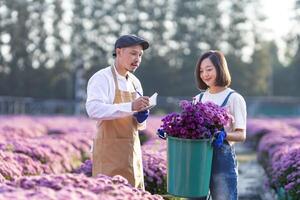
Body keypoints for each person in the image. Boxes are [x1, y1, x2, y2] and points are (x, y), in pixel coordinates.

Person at [86, 34, 150, 190]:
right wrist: (130, 107)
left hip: (130, 150)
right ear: (119, 52)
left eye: (140, 55)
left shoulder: (135, 83)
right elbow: (93, 110)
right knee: (109, 192)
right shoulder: (102, 78)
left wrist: (141, 117)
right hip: (108, 151)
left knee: (133, 192)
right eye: (133, 53)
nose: (137, 59)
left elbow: (139, 126)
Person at [191, 50, 247, 200]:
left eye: (209, 69)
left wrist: (224, 135)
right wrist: (172, 131)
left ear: (220, 69)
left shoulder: (234, 98)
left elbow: (241, 134)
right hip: (198, 158)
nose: (205, 74)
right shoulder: (198, 98)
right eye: (201, 71)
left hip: (222, 161)